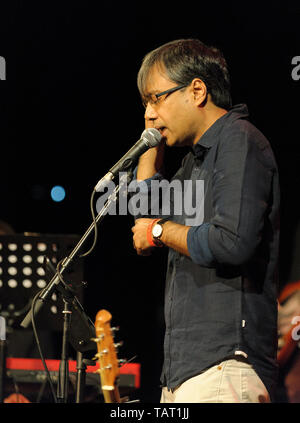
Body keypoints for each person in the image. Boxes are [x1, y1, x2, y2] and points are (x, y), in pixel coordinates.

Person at [131, 39, 280, 403]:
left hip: (225, 365)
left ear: (197, 90)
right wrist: (151, 145)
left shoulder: (238, 140)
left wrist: (157, 231)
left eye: (156, 98)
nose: (149, 113)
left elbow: (232, 241)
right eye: (145, 103)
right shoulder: (192, 163)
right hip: (187, 370)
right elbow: (144, 218)